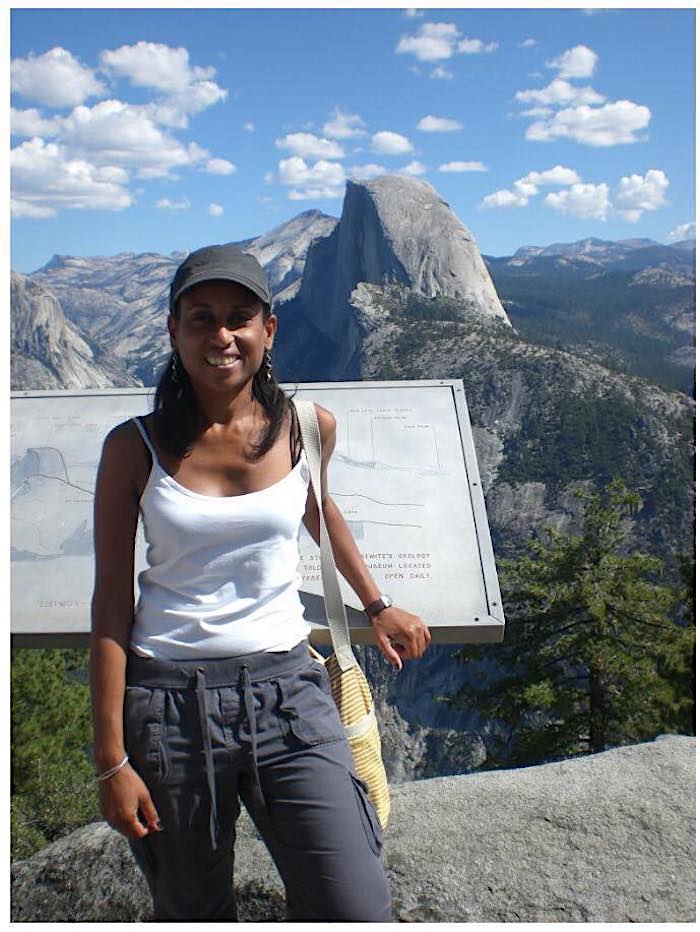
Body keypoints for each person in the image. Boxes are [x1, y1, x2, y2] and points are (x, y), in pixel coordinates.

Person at [89, 244, 431, 921]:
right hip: (170, 708)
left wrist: (377, 603)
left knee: (356, 907)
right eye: (201, 318)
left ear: (267, 330)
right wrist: (110, 760)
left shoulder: (308, 427)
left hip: (288, 698)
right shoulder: (133, 446)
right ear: (174, 330)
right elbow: (109, 602)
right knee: (193, 911)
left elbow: (316, 507)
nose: (222, 336)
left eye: (240, 317)